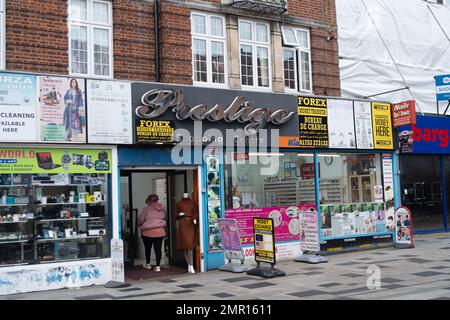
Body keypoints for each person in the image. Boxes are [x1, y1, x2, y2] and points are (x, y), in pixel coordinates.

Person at [137, 194, 167, 272]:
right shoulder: (162, 209)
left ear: (149, 200)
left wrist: (140, 225)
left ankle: (148, 264)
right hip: (160, 232)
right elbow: (165, 218)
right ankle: (157, 266)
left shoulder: (146, 209)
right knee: (158, 249)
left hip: (147, 232)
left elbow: (140, 220)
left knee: (148, 248)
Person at [173, 193, 198, 274]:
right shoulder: (179, 203)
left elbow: (195, 212)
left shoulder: (192, 203)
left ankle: (191, 265)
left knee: (190, 245)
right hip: (182, 224)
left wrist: (194, 219)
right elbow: (174, 214)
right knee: (184, 246)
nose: (185, 196)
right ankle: (189, 265)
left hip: (190, 224)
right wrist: (179, 214)